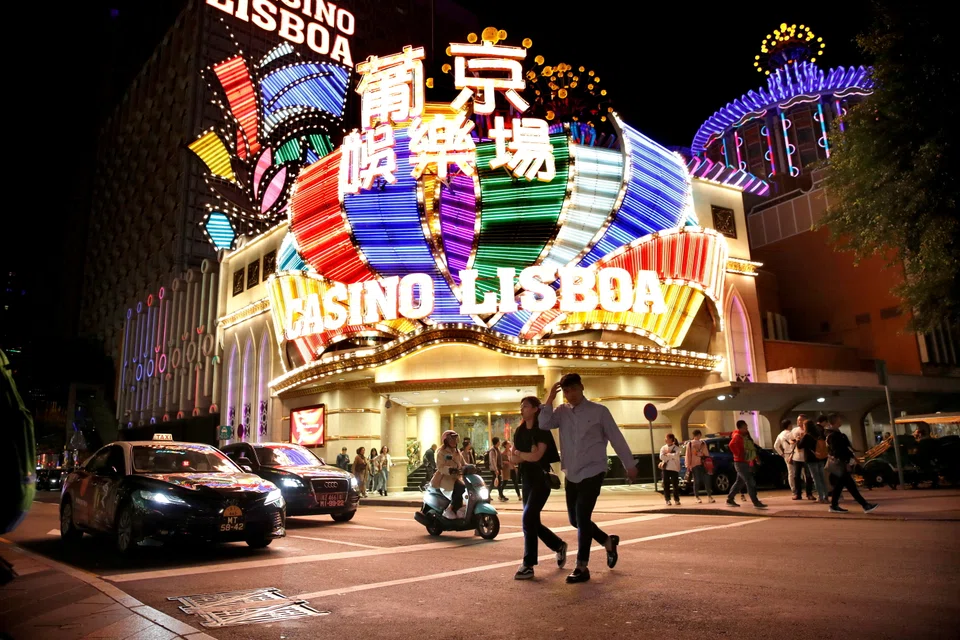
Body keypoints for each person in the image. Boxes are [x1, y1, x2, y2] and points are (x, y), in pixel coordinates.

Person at [539, 373, 637, 584]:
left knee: (582, 517)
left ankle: (582, 566)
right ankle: (607, 541)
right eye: (565, 391)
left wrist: (629, 465)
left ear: (581, 388)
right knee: (575, 520)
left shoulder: (599, 411)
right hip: (572, 472)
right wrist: (549, 399)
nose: (569, 394)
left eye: (573, 389)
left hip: (593, 470)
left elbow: (616, 437)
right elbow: (543, 423)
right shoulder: (561, 412)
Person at [511, 396, 567, 579]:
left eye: (525, 406)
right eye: (521, 406)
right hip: (525, 479)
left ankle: (528, 564)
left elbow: (537, 457)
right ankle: (558, 545)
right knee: (532, 521)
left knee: (528, 518)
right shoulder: (519, 431)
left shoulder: (542, 430)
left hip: (541, 481)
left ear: (535, 409)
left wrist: (522, 454)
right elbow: (513, 459)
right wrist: (523, 454)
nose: (522, 409)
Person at [825, 413, 878, 514]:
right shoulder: (834, 435)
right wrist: (847, 462)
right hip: (841, 464)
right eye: (839, 419)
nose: (841, 421)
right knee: (850, 486)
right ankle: (865, 505)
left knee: (841, 486)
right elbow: (838, 451)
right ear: (835, 421)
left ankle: (834, 505)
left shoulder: (834, 434)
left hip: (840, 464)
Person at [725, 420, 768, 509]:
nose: (747, 429)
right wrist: (739, 454)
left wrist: (753, 458)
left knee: (739, 482)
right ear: (740, 427)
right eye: (745, 427)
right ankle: (755, 502)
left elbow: (750, 448)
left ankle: (730, 498)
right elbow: (731, 445)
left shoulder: (743, 436)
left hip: (743, 462)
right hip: (741, 462)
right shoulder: (738, 436)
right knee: (749, 481)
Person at [431, 430, 467, 519]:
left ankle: (458, 508)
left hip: (457, 478)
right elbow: (440, 467)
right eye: (451, 439)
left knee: (466, 488)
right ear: (446, 441)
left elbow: (463, 463)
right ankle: (449, 508)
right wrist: (449, 470)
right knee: (460, 486)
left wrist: (473, 467)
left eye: (455, 439)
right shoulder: (442, 452)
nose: (454, 441)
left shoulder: (457, 452)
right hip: (445, 479)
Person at [797, 420, 829, 503]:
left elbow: (800, 446)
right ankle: (826, 496)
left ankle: (820, 497)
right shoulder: (818, 435)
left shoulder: (806, 436)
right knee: (822, 478)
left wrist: (798, 440)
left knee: (816, 478)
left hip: (811, 459)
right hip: (821, 458)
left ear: (806, 427)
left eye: (804, 426)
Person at [790, 414, 816, 501]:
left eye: (801, 420)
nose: (798, 422)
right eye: (798, 420)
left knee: (808, 476)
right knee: (796, 476)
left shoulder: (808, 431)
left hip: (806, 456)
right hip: (797, 456)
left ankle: (809, 493)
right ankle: (798, 493)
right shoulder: (794, 430)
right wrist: (794, 441)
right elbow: (791, 440)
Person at [685, 429, 714, 503]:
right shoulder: (690, 444)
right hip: (694, 464)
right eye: (697, 435)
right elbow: (688, 455)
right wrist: (688, 465)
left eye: (699, 435)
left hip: (703, 464)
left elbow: (706, 453)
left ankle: (709, 496)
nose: (698, 436)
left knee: (706, 480)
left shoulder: (703, 443)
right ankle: (697, 496)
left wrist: (703, 455)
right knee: (697, 481)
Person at [774, 419, 799, 497]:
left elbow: (776, 446)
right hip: (795, 453)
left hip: (786, 454)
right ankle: (799, 488)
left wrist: (782, 454)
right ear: (788, 425)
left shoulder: (780, 435)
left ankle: (793, 490)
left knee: (790, 473)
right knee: (799, 472)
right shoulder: (791, 433)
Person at [659, 434, 682, 506]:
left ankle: (677, 499)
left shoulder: (676, 448)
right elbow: (661, 457)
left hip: (674, 468)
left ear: (671, 439)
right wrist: (671, 456)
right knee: (666, 485)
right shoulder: (663, 448)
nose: (665, 439)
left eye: (667, 438)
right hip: (666, 468)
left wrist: (668, 455)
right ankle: (667, 499)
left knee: (675, 485)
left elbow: (676, 456)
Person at [487, 437, 508, 501]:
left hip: (498, 468)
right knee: (496, 482)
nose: (500, 442)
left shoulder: (497, 449)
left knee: (496, 482)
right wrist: (495, 469)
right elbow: (492, 460)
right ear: (497, 442)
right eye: (499, 441)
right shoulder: (492, 450)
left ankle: (489, 495)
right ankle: (501, 496)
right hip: (494, 468)